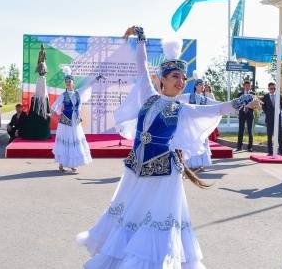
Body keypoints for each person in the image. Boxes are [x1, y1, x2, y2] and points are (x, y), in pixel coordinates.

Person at [76, 26, 258, 268]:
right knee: (131, 215)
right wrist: (140, 39)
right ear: (162, 79)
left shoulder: (182, 108)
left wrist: (243, 100)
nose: (181, 82)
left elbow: (216, 109)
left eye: (183, 78)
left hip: (163, 173)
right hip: (136, 169)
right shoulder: (148, 96)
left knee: (157, 220)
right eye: (175, 77)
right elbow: (141, 67)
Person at [51, 66, 93, 173]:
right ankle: (61, 164)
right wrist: (51, 113)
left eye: (70, 81)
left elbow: (88, 86)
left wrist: (96, 79)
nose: (68, 83)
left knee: (74, 141)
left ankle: (73, 163)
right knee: (66, 141)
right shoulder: (63, 95)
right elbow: (55, 105)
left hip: (75, 120)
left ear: (73, 82)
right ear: (65, 83)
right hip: (65, 121)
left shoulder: (78, 93)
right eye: (66, 82)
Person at [178, 71, 219, 170]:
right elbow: (177, 99)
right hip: (191, 125)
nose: (202, 86)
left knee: (201, 142)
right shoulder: (189, 96)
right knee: (192, 142)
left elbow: (217, 104)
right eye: (200, 85)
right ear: (196, 86)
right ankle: (191, 164)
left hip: (201, 124)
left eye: (203, 85)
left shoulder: (205, 99)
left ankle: (201, 163)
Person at [21, 48, 51, 140]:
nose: (42, 72)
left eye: (43, 71)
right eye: (41, 71)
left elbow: (43, 90)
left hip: (42, 98)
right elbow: (40, 90)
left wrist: (44, 98)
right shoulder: (40, 79)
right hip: (40, 98)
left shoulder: (42, 79)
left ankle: (42, 133)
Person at [261, 82, 282, 156]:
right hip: (269, 118)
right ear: (268, 89)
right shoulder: (265, 97)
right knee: (269, 135)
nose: (273, 90)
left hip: (278, 118)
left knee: (280, 135)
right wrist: (268, 114)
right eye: (271, 88)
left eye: (274, 88)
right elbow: (264, 107)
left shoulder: (279, 96)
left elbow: (280, 106)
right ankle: (270, 151)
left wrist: (278, 113)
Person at [235, 80, 255, 152]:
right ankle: (239, 146)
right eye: (246, 86)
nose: (247, 87)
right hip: (242, 114)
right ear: (243, 86)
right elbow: (236, 104)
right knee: (241, 130)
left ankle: (250, 147)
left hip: (250, 114)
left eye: (249, 86)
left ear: (250, 86)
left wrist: (250, 106)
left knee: (250, 131)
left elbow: (255, 104)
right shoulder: (240, 94)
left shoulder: (253, 94)